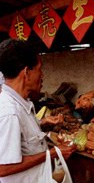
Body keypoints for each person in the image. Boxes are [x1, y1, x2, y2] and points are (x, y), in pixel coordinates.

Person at [0, 39, 76, 182]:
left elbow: (21, 135)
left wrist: (41, 123)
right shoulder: (9, 112)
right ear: (27, 72)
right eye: (40, 69)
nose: (42, 75)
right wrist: (53, 153)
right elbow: (3, 168)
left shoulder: (21, 103)